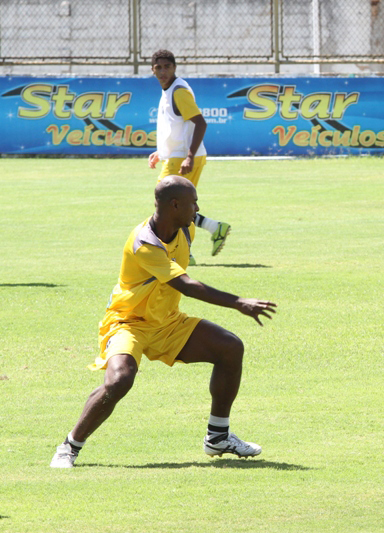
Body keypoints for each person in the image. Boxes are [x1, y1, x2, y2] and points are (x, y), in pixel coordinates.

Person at [50, 176, 277, 468]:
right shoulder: (144, 242)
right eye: (194, 203)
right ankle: (69, 446)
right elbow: (187, 285)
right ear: (175, 205)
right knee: (119, 380)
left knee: (230, 347)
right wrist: (239, 302)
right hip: (128, 322)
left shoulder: (186, 228)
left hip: (167, 321)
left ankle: (218, 436)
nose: (198, 209)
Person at [148, 49, 230, 265]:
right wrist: (161, 152)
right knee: (176, 205)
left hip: (183, 158)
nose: (163, 71)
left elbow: (200, 123)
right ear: (152, 70)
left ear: (175, 68)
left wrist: (189, 157)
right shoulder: (169, 90)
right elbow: (176, 127)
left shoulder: (179, 92)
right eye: (159, 67)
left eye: (167, 67)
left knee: (166, 204)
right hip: (176, 156)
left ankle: (185, 252)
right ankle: (212, 229)